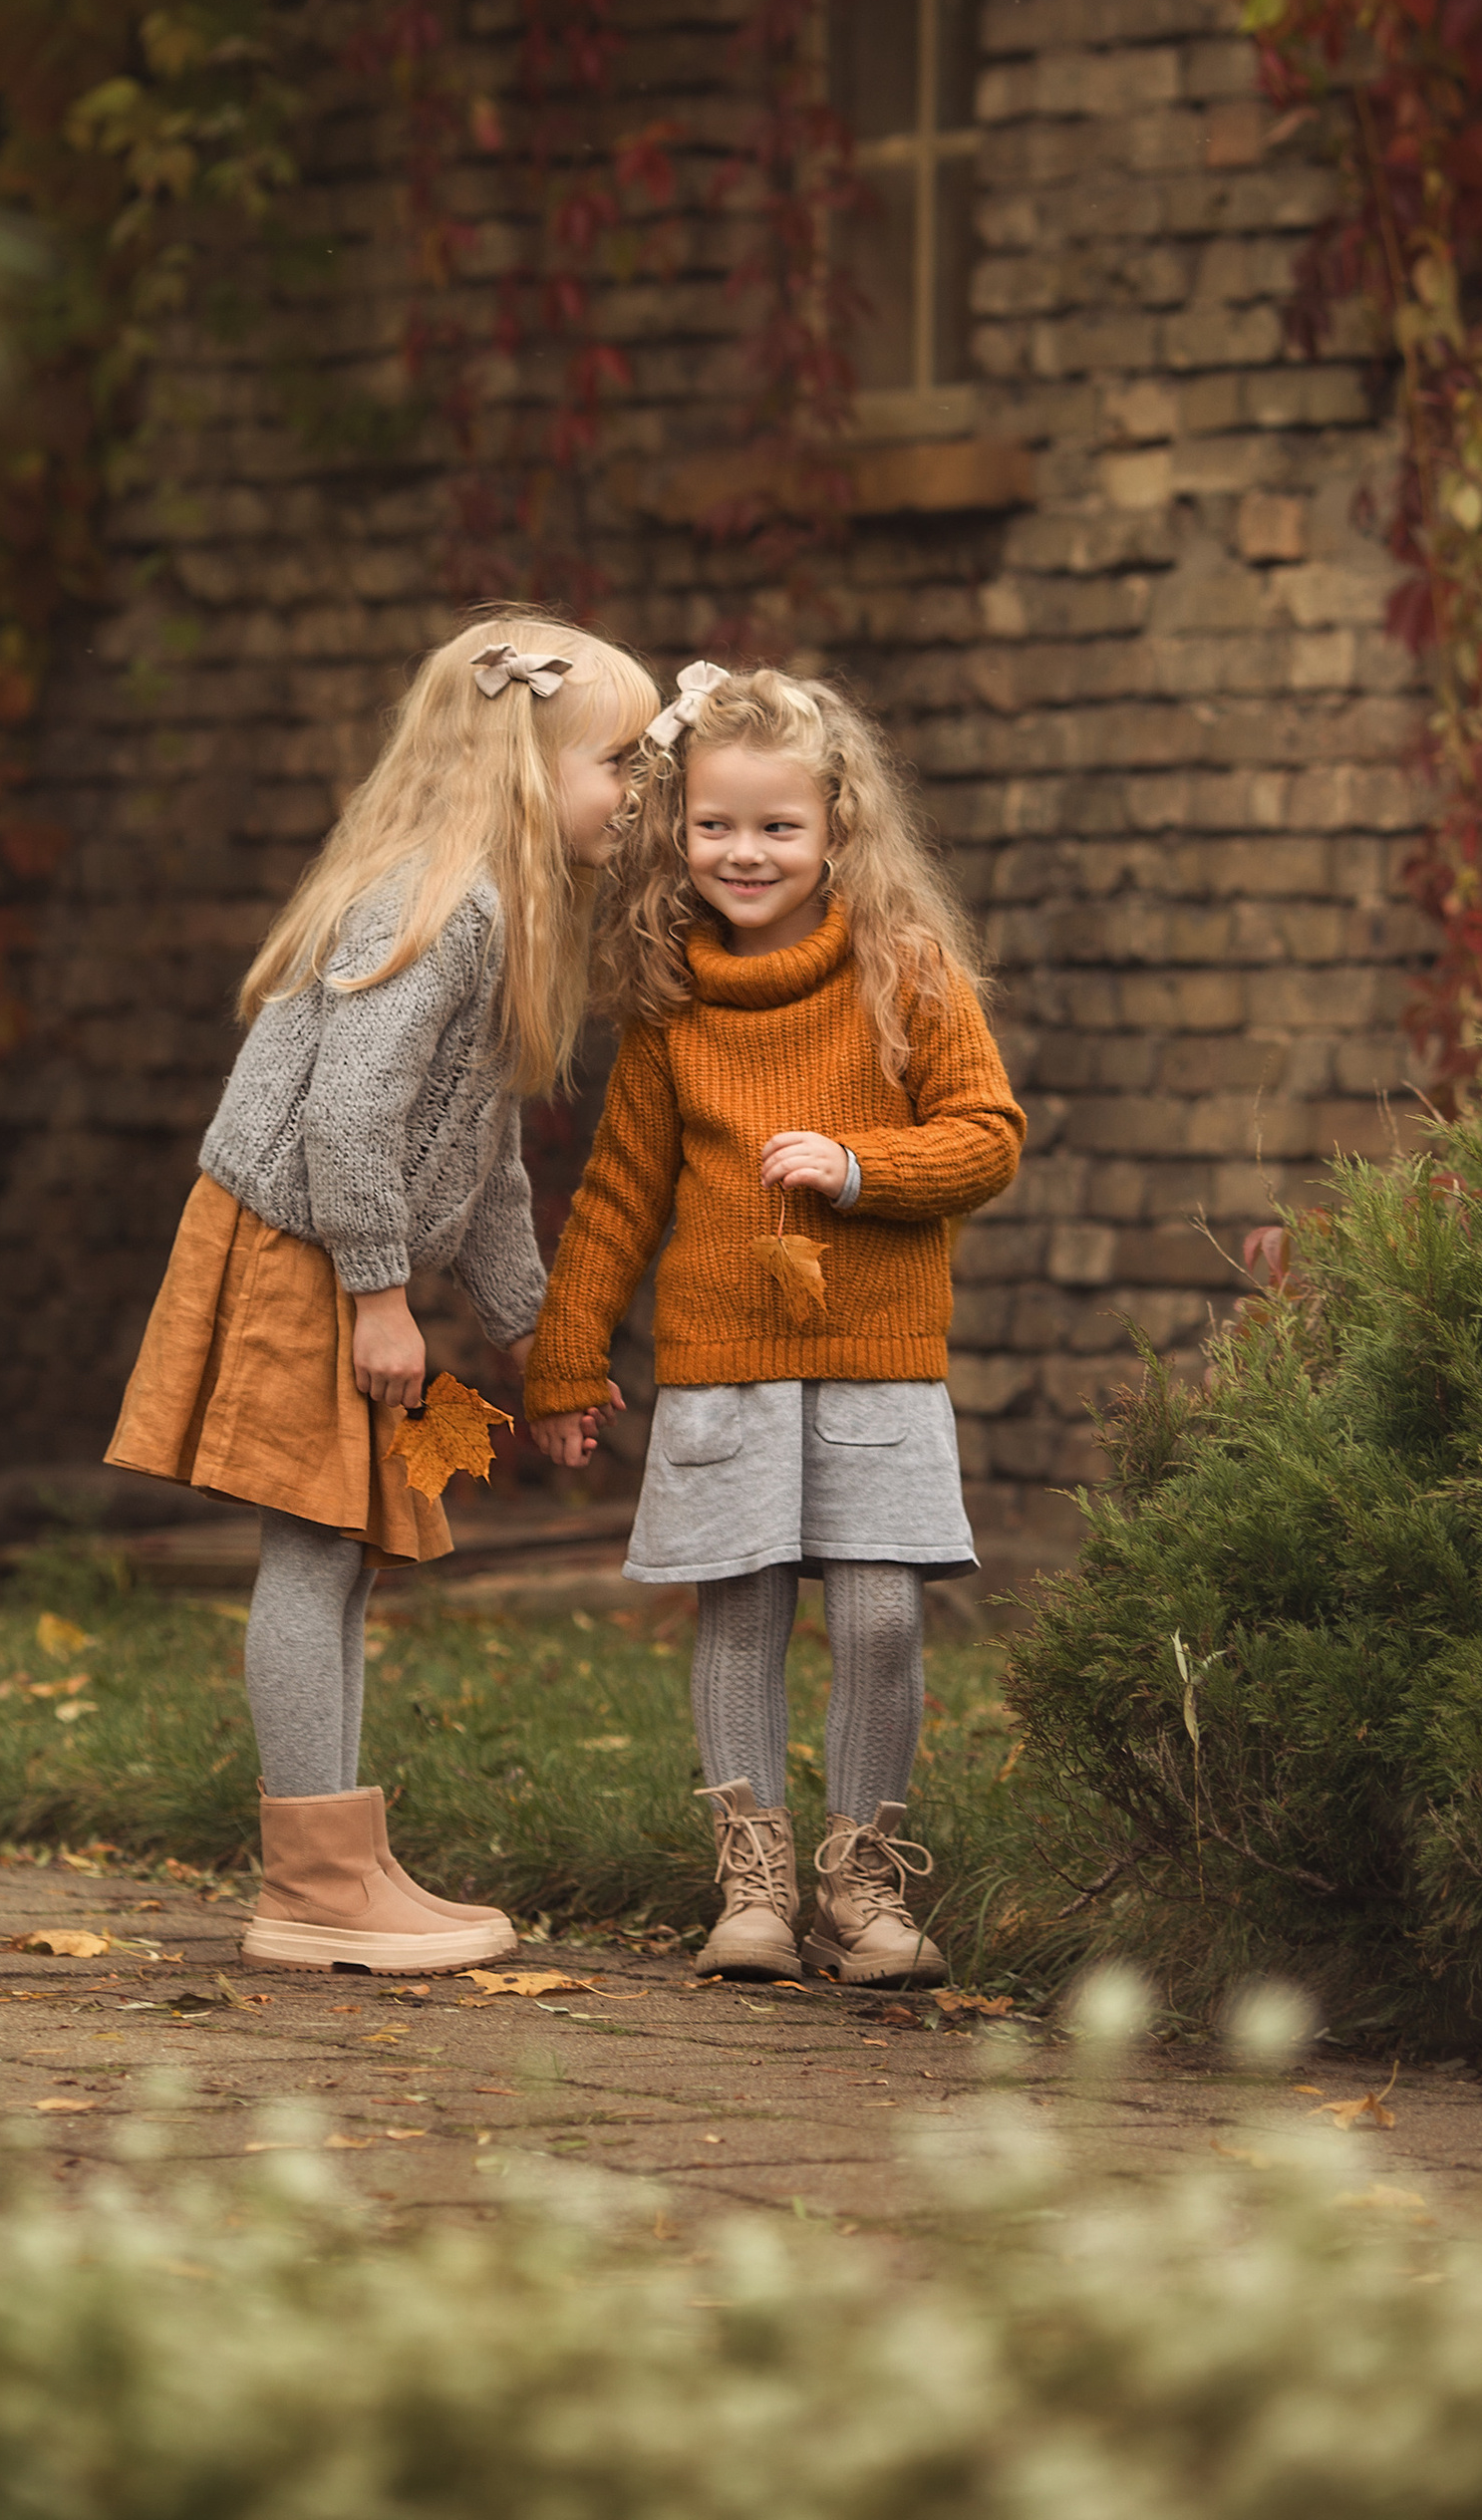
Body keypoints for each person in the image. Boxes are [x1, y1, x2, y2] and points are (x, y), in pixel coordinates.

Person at [107, 609, 658, 1972]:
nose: (646, 789)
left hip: (333, 1250)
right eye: (625, 759)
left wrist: (539, 1338)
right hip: (301, 1245)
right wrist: (374, 1296)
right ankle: (308, 1891)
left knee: (340, 1555)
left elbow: (481, 1165)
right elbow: (349, 1118)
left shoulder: (501, 914)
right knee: (312, 1544)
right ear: (530, 768)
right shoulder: (445, 904)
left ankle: (341, 1864)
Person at [524, 663, 1023, 1986]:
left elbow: (987, 1138)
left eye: (778, 827)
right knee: (740, 1614)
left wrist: (861, 1168)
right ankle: (751, 1880)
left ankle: (863, 1883)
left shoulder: (905, 973)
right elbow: (622, 1193)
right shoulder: (669, 1004)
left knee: (876, 1618)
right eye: (716, 825)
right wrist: (567, 1354)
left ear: (837, 826)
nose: (745, 853)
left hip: (878, 1358)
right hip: (723, 1364)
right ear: (677, 830)